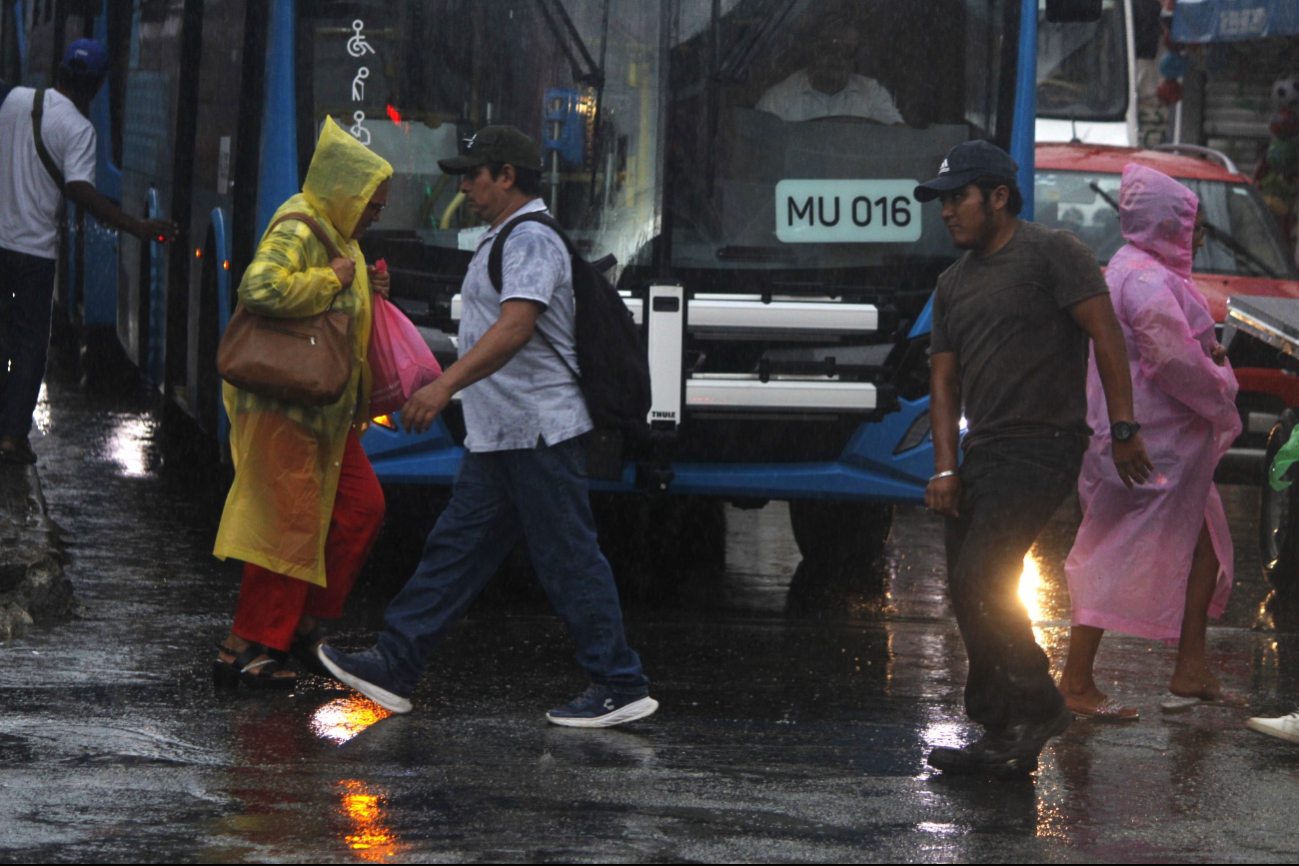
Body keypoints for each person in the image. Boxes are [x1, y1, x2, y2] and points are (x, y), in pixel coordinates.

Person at [318, 125, 657, 728]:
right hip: (502, 433)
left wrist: (445, 385)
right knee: (455, 552)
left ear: (508, 177)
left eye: (474, 174)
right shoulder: (505, 235)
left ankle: (619, 681)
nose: (466, 186)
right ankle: (396, 664)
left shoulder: (529, 239)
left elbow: (516, 326)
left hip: (538, 433)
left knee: (569, 559)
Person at [919, 141, 1152, 778]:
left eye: (957, 198)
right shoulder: (952, 284)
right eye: (942, 201)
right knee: (968, 593)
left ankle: (1039, 703)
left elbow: (1106, 337)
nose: (946, 212)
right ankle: (1001, 729)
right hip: (981, 453)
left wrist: (1125, 426)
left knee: (981, 577)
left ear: (998, 196)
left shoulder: (1054, 253)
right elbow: (943, 383)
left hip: (1044, 445)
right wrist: (944, 468)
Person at [211, 117, 391, 688]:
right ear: (346, 192)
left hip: (328, 416)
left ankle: (297, 627)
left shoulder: (345, 239)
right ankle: (251, 647)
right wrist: (331, 278)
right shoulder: (302, 226)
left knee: (359, 509)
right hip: (286, 409)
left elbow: (341, 305)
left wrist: (364, 283)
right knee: (286, 529)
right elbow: (259, 288)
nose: (377, 213)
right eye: (373, 202)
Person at [1061, 164, 1245, 719]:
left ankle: (1190, 667)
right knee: (1111, 553)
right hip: (1149, 444)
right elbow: (1171, 357)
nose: (1196, 239)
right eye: (1194, 228)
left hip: (1148, 440)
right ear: (1170, 224)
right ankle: (1075, 681)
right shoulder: (1147, 279)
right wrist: (1220, 383)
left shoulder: (1129, 267)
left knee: (1205, 546)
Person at [0, 39, 177, 465]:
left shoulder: (15, 100)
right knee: (28, 346)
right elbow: (80, 190)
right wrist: (135, 226)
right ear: (97, 86)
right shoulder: (80, 130)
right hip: (34, 253)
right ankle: (10, 438)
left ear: (59, 71)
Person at [755, 15, 903, 125]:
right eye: (828, 49)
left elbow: (900, 137)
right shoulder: (777, 100)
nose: (836, 58)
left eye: (847, 51)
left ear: (854, 59)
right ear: (812, 52)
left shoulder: (872, 93)